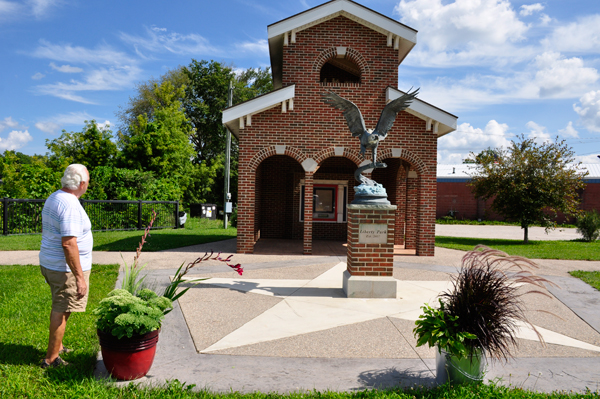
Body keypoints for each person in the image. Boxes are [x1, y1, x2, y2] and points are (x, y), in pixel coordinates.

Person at [39, 164, 92, 368]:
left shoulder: (55, 196)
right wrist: (79, 277)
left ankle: (58, 346)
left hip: (52, 264)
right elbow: (69, 243)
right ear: (81, 183)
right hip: (64, 269)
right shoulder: (69, 204)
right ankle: (51, 359)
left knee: (64, 305)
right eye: (87, 181)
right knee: (61, 308)